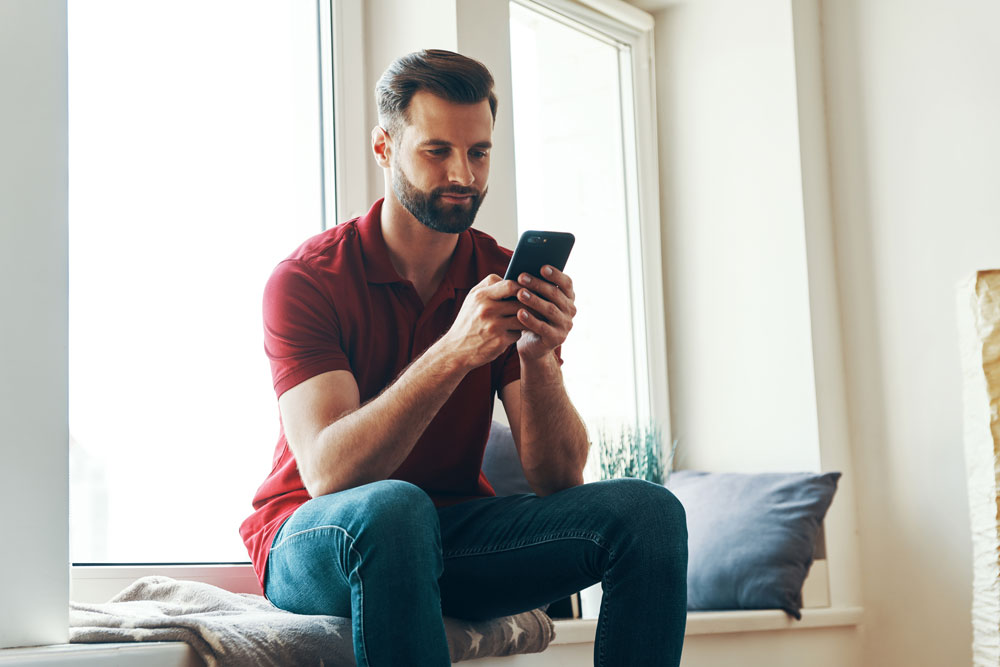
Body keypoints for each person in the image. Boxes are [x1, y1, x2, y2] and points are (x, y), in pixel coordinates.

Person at [240, 49, 687, 666]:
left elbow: (558, 479)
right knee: (394, 507)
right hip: (317, 539)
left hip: (451, 537)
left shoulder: (495, 273)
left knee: (648, 512)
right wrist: (453, 351)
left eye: (479, 153)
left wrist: (538, 355)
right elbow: (328, 474)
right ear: (384, 149)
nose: (464, 175)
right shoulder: (307, 280)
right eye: (437, 151)